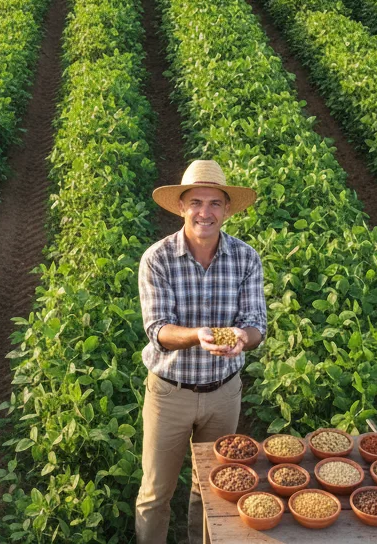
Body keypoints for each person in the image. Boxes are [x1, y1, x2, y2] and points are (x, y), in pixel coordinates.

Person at [134, 160, 268, 544]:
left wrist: (243, 337)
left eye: (213, 203)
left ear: (226, 210)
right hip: (169, 393)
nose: (204, 212)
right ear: (181, 207)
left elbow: (257, 321)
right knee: (155, 493)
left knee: (211, 486)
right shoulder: (157, 258)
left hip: (224, 392)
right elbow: (157, 328)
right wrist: (199, 336)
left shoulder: (246, 258)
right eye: (196, 202)